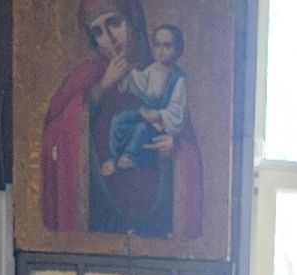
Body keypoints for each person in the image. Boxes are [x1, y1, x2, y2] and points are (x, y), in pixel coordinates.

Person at [39, 0, 203, 240]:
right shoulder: (88, 76)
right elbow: (53, 134)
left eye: (114, 23)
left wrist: (174, 148)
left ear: (133, 21)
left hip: (154, 217)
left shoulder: (166, 76)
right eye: (98, 32)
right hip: (101, 214)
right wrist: (102, 87)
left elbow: (187, 147)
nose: (109, 38)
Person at [103, 24, 188, 177]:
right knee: (118, 120)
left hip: (158, 121)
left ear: (177, 49)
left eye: (167, 46)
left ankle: (129, 156)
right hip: (143, 109)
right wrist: (127, 74)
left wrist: (159, 115)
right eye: (157, 45)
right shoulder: (153, 69)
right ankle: (113, 157)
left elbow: (177, 107)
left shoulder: (178, 78)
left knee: (141, 129)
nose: (161, 51)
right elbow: (139, 83)